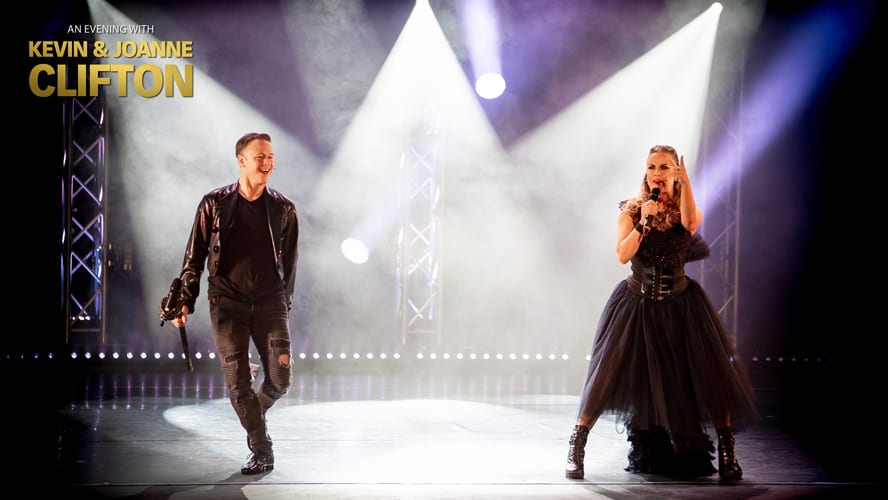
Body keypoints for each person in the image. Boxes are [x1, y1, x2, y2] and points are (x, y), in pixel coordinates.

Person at [564, 145, 758, 481]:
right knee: (607, 373)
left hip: (682, 304)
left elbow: (688, 223)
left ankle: (728, 453)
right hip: (636, 303)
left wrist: (684, 184)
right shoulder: (632, 210)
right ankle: (576, 447)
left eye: (665, 167)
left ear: (675, 173)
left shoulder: (688, 208)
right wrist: (644, 223)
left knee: (709, 375)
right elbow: (622, 255)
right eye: (652, 166)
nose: (657, 172)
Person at [168, 132, 299, 475]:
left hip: (271, 302)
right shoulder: (214, 204)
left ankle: (249, 407)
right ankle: (261, 448)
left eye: (270, 156)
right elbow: (193, 257)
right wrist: (184, 299)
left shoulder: (284, 209)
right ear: (241, 161)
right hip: (227, 302)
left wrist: (286, 303)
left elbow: (292, 264)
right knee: (238, 384)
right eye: (260, 157)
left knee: (281, 380)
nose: (267, 163)